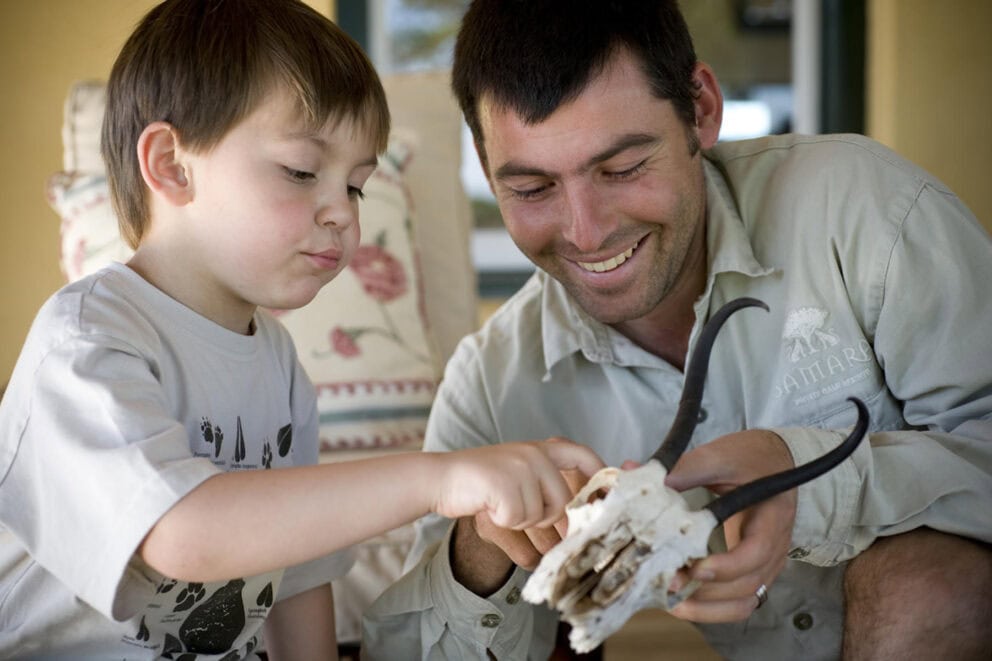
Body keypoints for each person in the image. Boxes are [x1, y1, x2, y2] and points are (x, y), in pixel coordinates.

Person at [362, 1, 992, 659]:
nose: (587, 232)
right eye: (532, 188)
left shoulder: (866, 210)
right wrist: (480, 548)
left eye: (623, 168)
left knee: (928, 586)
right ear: (486, 165)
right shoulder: (491, 387)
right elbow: (403, 653)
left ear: (702, 109)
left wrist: (810, 480)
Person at [0, 1, 606, 658]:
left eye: (356, 187)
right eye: (301, 171)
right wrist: (440, 479)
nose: (342, 214)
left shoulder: (276, 360)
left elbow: (295, 575)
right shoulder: (86, 341)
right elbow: (179, 534)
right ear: (172, 165)